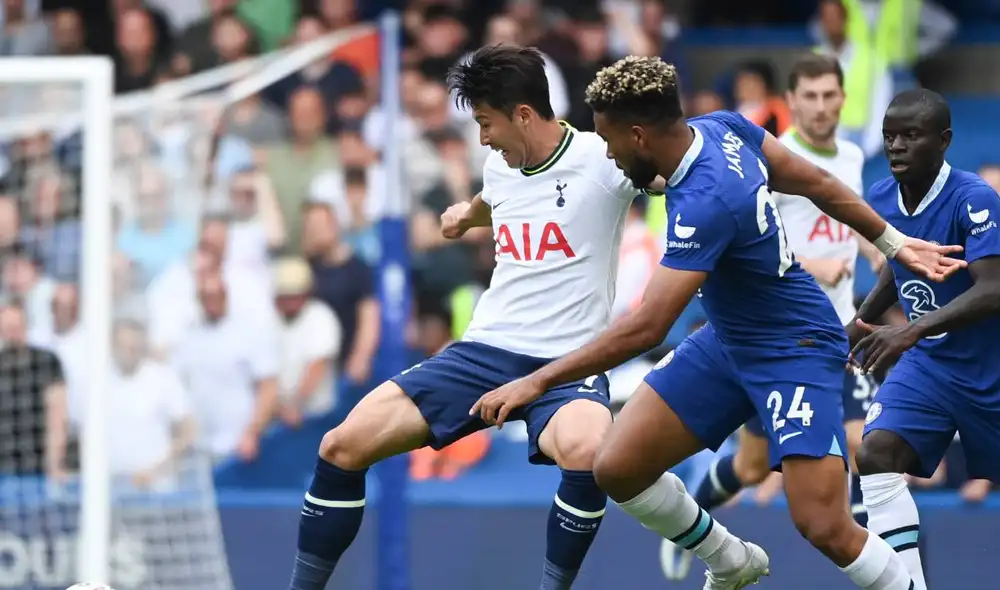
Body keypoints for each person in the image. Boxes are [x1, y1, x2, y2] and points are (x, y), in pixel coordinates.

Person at [472, 56, 963, 590]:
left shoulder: (707, 203)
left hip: (793, 346)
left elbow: (647, 329)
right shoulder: (723, 128)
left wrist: (540, 379)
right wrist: (895, 243)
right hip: (728, 338)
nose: (607, 154)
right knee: (616, 466)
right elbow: (816, 182)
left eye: (610, 140)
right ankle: (730, 560)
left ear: (638, 135)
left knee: (822, 524)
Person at [287, 45, 670, 590]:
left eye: (486, 123)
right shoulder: (500, 165)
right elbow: (499, 197)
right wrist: (466, 214)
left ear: (523, 114)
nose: (482, 139)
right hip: (482, 354)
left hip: (567, 365)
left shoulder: (601, 158)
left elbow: (668, 174)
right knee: (340, 446)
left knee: (589, 452)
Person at [664, 54, 882, 580]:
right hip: (776, 337)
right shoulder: (766, 162)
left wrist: (876, 248)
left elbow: (842, 214)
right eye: (810, 96)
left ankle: (887, 566)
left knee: (865, 444)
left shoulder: (850, 157)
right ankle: (689, 518)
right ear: (792, 101)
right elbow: (743, 243)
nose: (822, 107)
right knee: (751, 466)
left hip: (836, 336)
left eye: (831, 95)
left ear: (843, 99)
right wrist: (813, 263)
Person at [850, 89, 1000, 590]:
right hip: (931, 365)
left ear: (943, 140)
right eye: (890, 136)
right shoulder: (878, 197)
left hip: (989, 365)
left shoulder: (972, 197)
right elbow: (901, 267)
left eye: (910, 136)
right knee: (876, 454)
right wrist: (862, 321)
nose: (895, 146)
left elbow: (994, 289)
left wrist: (910, 329)